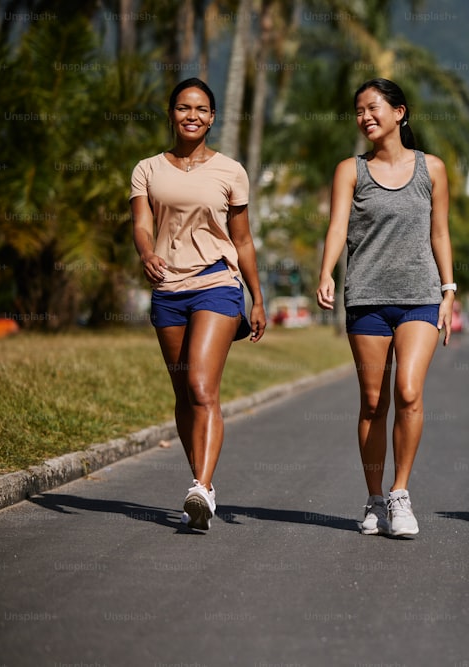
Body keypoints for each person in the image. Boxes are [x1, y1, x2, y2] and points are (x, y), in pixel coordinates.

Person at [316, 78, 455, 538]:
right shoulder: (349, 171)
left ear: (400, 112)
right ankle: (374, 498)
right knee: (374, 401)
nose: (364, 117)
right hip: (367, 297)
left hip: (421, 295)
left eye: (373, 107)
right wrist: (326, 272)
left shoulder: (431, 168)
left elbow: (440, 232)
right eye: (358, 110)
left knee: (410, 392)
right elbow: (337, 227)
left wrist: (449, 289)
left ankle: (400, 494)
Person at [130, 77, 266, 531]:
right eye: (184, 108)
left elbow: (243, 241)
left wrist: (257, 298)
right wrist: (147, 254)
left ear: (212, 117)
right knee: (183, 394)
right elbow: (142, 224)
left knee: (203, 387)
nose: (192, 115)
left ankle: (202, 487)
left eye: (201, 109)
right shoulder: (147, 169)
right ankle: (201, 486)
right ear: (171, 114)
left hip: (217, 284)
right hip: (168, 288)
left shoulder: (231, 170)